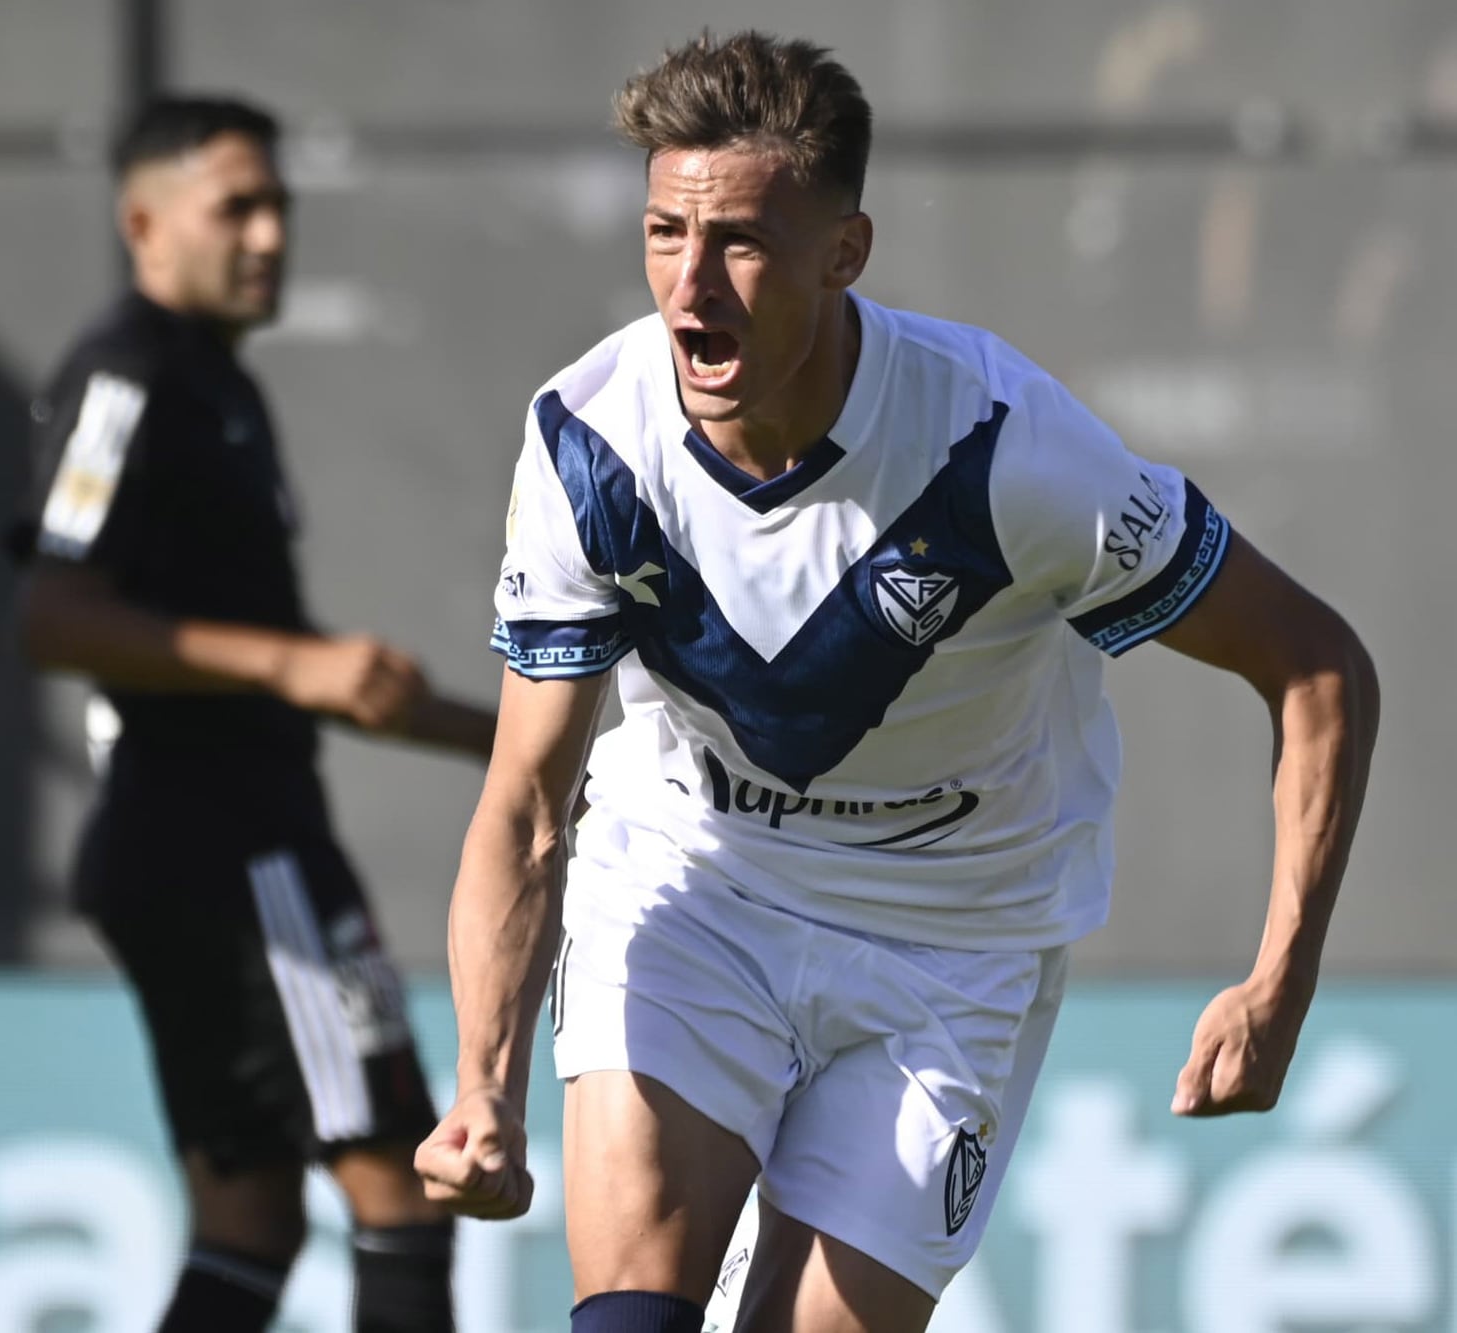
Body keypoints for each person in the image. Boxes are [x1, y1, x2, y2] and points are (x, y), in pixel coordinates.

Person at [414, 31, 1379, 1333]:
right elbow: (529, 808)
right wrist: (480, 1087)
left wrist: (1278, 983)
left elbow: (1313, 663)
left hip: (950, 943)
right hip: (696, 891)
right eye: (661, 234)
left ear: (843, 254)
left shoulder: (1006, 452)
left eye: (740, 242)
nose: (688, 288)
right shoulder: (591, 443)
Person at [14, 96, 495, 1332]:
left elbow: (321, 674)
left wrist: (530, 750)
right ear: (144, 221)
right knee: (398, 1190)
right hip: (227, 851)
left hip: (221, 839)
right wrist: (292, 666)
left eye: (278, 204)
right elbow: (55, 618)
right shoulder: (127, 376)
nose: (271, 233)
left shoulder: (215, 384)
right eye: (238, 206)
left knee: (252, 1221)